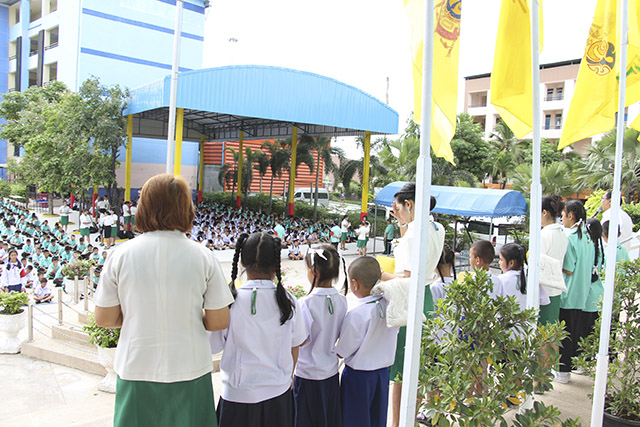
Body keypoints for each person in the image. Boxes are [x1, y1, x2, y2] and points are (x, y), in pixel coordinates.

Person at [94, 173, 233, 427]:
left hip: (136, 365)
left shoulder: (119, 255)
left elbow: (104, 318)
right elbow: (218, 320)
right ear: (186, 209)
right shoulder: (203, 257)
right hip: (190, 367)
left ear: (143, 208)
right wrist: (186, 314)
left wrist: (139, 314)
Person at [209, 232, 307, 427]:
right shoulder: (288, 301)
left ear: (242, 263)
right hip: (278, 395)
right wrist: (288, 375)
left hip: (236, 396)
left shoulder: (229, 301)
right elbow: (297, 343)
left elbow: (214, 346)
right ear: (275, 265)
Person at [379, 183, 445, 427]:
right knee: (419, 365)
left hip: (408, 301)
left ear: (409, 204)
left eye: (398, 208)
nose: (396, 213)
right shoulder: (436, 227)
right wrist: (402, 221)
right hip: (426, 299)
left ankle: (398, 423)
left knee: (401, 372)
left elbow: (406, 277)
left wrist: (378, 274)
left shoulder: (413, 236)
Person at [336, 256, 399, 427]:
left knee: (355, 420)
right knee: (377, 418)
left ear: (354, 284)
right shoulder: (390, 305)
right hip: (382, 374)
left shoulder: (357, 314)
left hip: (359, 377)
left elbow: (343, 350)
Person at [293, 245, 348, 427]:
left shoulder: (305, 303)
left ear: (313, 272)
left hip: (307, 373)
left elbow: (300, 340)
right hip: (330, 372)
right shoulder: (342, 300)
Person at [556, 200, 595, 384]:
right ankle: (572, 368)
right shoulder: (588, 237)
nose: (561, 219)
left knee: (565, 335)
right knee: (576, 332)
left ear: (570, 216)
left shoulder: (570, 237)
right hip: (582, 294)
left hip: (568, 294)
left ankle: (563, 372)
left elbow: (569, 269)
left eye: (563, 215)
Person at [539, 196, 569, 326]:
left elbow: (538, 264)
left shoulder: (544, 235)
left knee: (540, 332)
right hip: (556, 290)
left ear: (544, 212)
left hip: (543, 292)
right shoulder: (562, 235)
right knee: (551, 331)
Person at [499, 243, 550, 310]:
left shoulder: (501, 280)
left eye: (501, 260)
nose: (499, 262)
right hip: (530, 316)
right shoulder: (533, 277)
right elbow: (544, 300)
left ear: (511, 263)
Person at [584, 219, 605, 337]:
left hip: (587, 296)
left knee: (583, 333)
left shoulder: (588, 248)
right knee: (593, 333)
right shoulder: (600, 248)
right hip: (598, 294)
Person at [601, 190, 637, 259]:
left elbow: (605, 240)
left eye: (603, 199)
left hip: (611, 257)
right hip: (624, 256)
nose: (601, 202)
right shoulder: (626, 216)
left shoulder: (610, 215)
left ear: (610, 201)